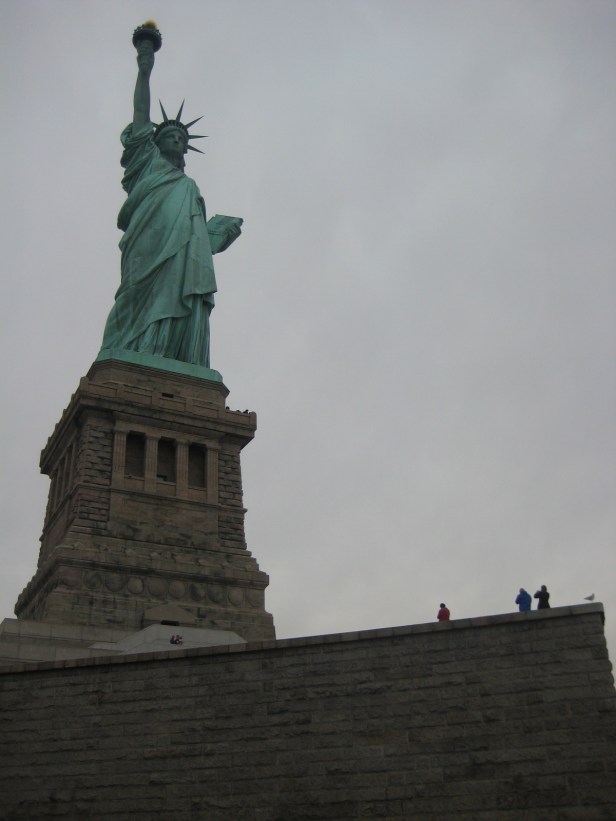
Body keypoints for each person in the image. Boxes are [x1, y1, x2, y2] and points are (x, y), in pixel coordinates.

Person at [99, 36, 241, 368]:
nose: (176, 139)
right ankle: (130, 349)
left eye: (180, 137)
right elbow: (139, 112)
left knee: (180, 292)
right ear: (155, 142)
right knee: (135, 295)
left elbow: (198, 239)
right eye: (168, 136)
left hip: (183, 254)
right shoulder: (146, 163)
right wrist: (144, 68)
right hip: (148, 241)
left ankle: (171, 355)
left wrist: (215, 236)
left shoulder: (189, 186)